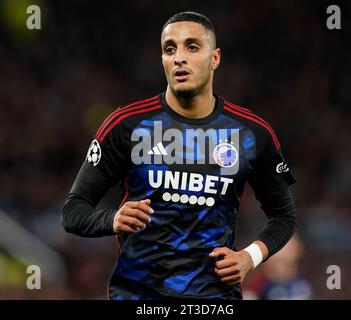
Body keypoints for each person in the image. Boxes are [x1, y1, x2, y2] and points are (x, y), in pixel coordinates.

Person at [61, 11, 297, 300]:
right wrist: (112, 220)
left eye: (192, 46)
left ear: (215, 58)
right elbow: (73, 212)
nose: (179, 57)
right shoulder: (126, 125)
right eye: (169, 49)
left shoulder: (251, 133)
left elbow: (284, 216)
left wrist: (249, 257)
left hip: (214, 299)